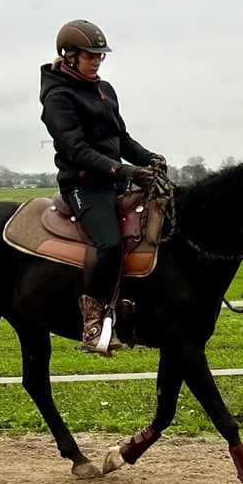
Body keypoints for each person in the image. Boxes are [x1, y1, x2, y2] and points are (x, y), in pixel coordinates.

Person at [39, 19, 167, 356]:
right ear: (68, 56)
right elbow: (77, 150)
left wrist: (149, 158)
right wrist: (126, 170)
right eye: (89, 56)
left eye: (99, 56)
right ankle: (93, 321)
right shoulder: (58, 98)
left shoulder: (105, 89)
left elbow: (120, 138)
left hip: (115, 181)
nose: (96, 62)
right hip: (83, 185)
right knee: (109, 243)